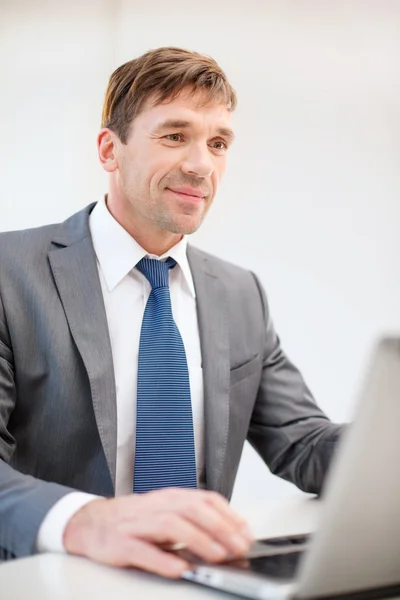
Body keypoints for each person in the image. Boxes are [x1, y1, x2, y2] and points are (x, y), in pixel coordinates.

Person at [0, 47, 343, 577]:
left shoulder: (238, 292)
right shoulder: (9, 273)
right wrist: (85, 520)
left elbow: (304, 443)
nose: (201, 164)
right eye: (175, 135)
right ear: (109, 150)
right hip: (47, 580)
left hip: (200, 582)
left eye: (218, 143)